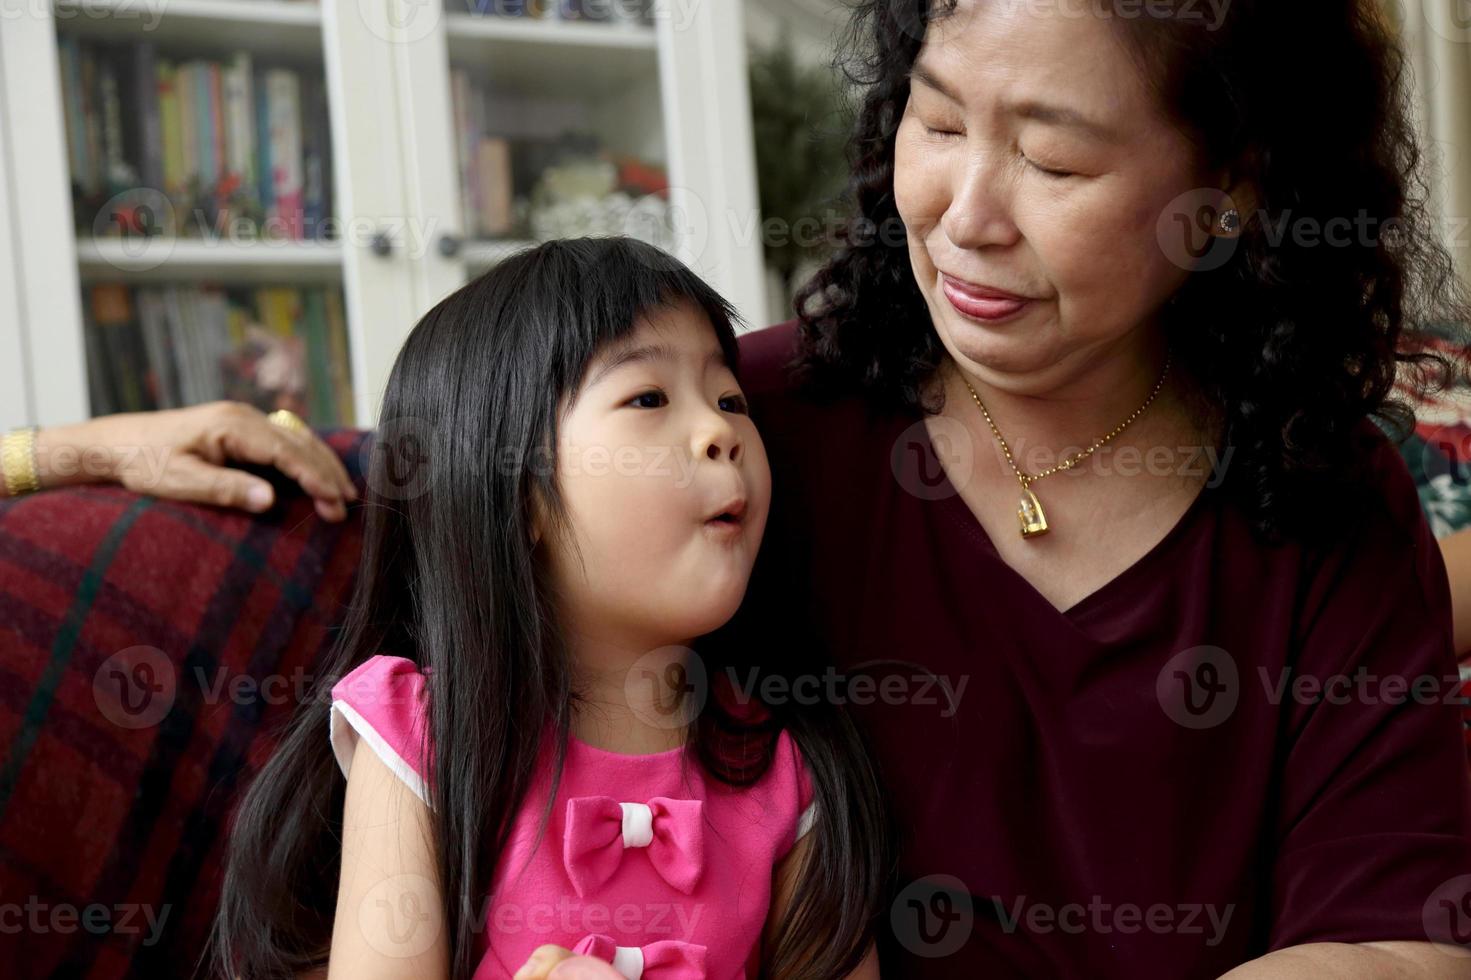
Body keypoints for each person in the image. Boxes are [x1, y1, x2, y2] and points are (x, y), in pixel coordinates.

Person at [8, 0, 1471, 976]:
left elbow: (1391, 938)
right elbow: (482, 457)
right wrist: (67, 454)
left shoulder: (1324, 503)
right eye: (938, 119)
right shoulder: (759, 422)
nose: (959, 213)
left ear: (1228, 190)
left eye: (1049, 158)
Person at [205, 238, 887, 979]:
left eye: (729, 399)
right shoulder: (420, 740)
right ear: (514, 489)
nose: (721, 431)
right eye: (648, 398)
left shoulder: (785, 767)